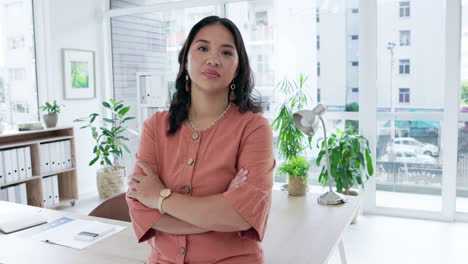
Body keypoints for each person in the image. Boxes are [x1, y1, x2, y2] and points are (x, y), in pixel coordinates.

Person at [126, 15, 276, 264]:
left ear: (239, 67)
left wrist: (159, 197)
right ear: (185, 59)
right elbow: (140, 210)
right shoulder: (155, 126)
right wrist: (217, 213)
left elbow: (241, 216)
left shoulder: (254, 128)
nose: (213, 59)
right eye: (203, 48)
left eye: (226, 53)